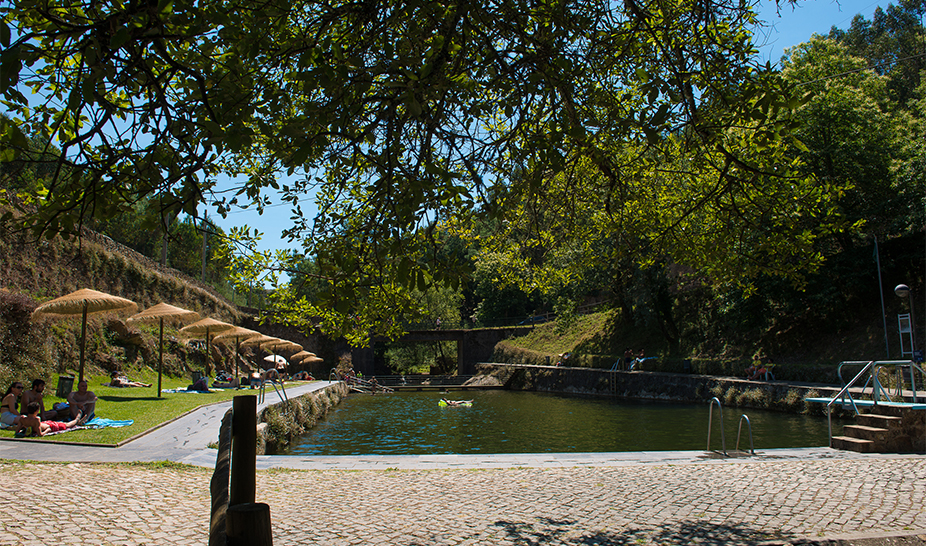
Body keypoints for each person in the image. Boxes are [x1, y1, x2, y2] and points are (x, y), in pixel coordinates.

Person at [15, 402, 82, 437]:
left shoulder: (22, 418)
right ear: (37, 411)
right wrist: (48, 430)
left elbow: (17, 431)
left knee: (61, 422)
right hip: (51, 426)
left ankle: (78, 420)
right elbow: (40, 434)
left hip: (46, 423)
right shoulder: (36, 419)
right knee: (67, 425)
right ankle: (77, 419)